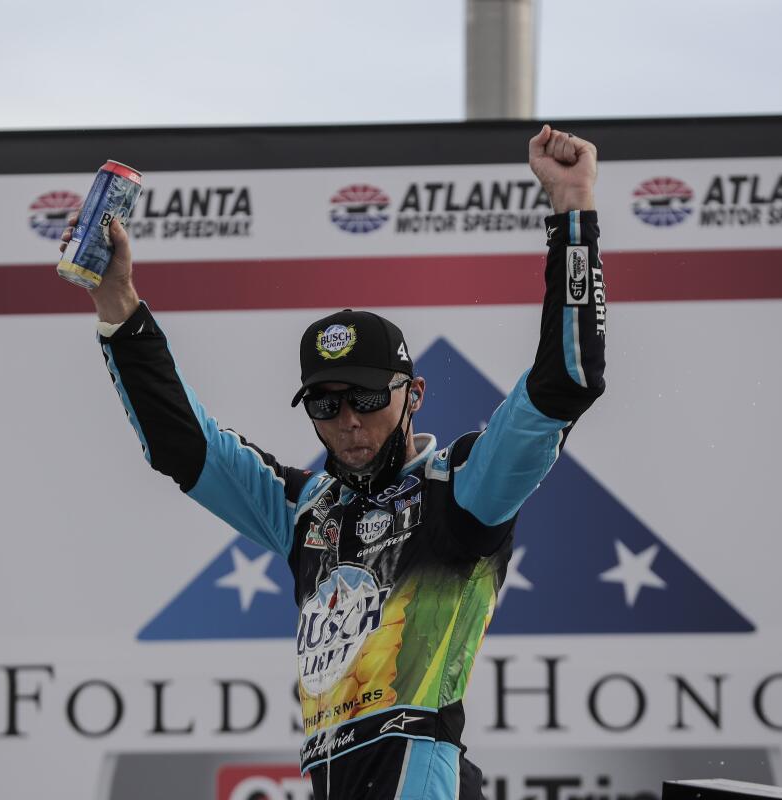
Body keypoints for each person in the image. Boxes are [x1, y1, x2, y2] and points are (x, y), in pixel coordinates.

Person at [60, 126, 606, 800]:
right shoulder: (305, 509)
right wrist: (116, 303)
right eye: (324, 404)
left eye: (369, 398)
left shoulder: (463, 490)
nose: (348, 421)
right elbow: (185, 447)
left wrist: (572, 214)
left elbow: (564, 382)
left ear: (415, 396)